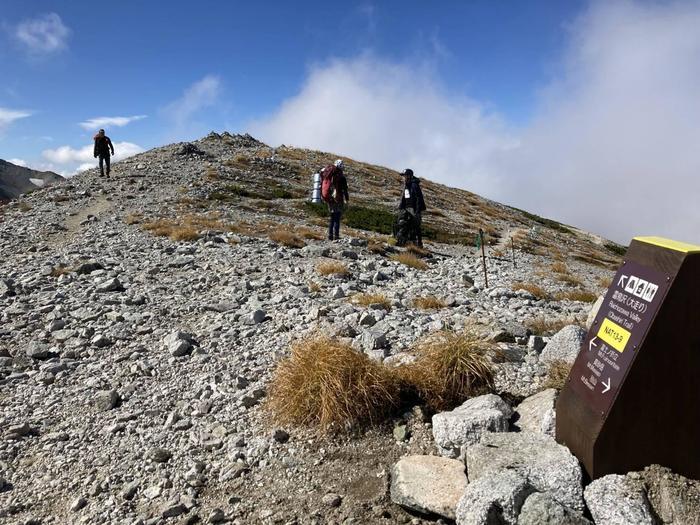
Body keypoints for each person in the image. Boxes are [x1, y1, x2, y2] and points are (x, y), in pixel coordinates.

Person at [322, 159, 349, 240]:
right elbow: (345, 190)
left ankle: (330, 236)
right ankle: (336, 236)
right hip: (338, 199)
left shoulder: (329, 174)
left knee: (332, 218)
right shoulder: (342, 177)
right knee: (337, 218)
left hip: (330, 198)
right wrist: (347, 199)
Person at [399, 168, 426, 247]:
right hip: (408, 208)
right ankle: (407, 240)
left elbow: (419, 198)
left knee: (416, 225)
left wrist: (417, 211)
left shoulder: (414, 185)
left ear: (409, 176)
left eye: (405, 176)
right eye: (403, 176)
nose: (404, 178)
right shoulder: (407, 185)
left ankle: (419, 243)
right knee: (404, 223)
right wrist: (401, 207)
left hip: (414, 208)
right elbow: (404, 197)